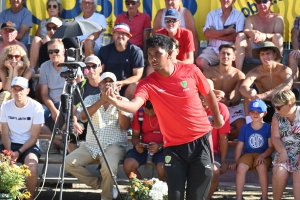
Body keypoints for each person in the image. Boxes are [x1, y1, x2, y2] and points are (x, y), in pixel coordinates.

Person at [103, 34, 224, 200]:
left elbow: (208, 93)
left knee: (196, 197)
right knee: (174, 196)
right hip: (173, 147)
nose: (153, 59)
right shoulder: (147, 83)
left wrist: (217, 119)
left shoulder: (191, 70)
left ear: (169, 53)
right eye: (150, 55)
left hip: (200, 141)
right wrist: (115, 101)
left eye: (157, 54)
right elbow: (133, 105)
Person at [65, 72, 132, 200]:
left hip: (114, 145)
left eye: (110, 82)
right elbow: (83, 117)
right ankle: (100, 184)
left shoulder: (123, 101)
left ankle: (106, 196)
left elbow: (125, 126)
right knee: (68, 163)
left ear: (116, 85)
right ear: (99, 84)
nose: (107, 84)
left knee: (108, 166)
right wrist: (101, 101)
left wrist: (118, 104)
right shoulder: (90, 98)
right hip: (91, 145)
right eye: (105, 82)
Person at [0, 77, 44, 200]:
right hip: (10, 143)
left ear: (28, 91)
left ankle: (29, 198)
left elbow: (34, 137)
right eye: (15, 89)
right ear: (11, 90)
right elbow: (5, 133)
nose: (18, 92)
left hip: (29, 144)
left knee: (32, 167)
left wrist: (18, 153)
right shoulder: (5, 106)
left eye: (21, 89)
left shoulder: (36, 107)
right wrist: (9, 153)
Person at [229, 99, 273, 200]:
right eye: (252, 112)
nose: (255, 114)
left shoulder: (268, 127)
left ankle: (264, 197)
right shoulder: (245, 128)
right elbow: (239, 146)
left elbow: (271, 147)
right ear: (249, 113)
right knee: (241, 167)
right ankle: (239, 197)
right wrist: (236, 162)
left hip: (263, 154)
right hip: (247, 154)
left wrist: (263, 156)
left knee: (261, 167)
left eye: (258, 112)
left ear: (265, 113)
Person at [239, 41, 293, 123]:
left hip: (280, 103)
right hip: (263, 105)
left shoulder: (284, 70)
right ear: (259, 56)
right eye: (262, 54)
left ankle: (283, 124)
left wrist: (264, 95)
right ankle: (249, 123)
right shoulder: (255, 72)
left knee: (286, 96)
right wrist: (251, 93)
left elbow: (287, 85)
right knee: (249, 95)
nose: (265, 56)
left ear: (274, 55)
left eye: (268, 53)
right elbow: (242, 88)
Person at [204, 44, 246, 140]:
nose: (225, 56)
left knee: (242, 127)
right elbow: (203, 92)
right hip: (211, 105)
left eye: (228, 54)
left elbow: (238, 98)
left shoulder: (238, 75)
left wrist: (229, 102)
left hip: (229, 105)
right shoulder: (208, 72)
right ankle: (215, 140)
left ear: (234, 57)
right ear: (218, 55)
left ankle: (220, 140)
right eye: (223, 53)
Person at [200, 79, 230, 200]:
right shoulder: (191, 106)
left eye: (205, 93)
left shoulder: (221, 108)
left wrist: (223, 160)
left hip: (212, 152)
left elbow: (223, 137)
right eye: (198, 93)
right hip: (191, 150)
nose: (201, 97)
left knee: (215, 171)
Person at [98, 23, 144, 100]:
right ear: (113, 35)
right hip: (107, 84)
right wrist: (107, 84)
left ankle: (127, 109)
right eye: (117, 33)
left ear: (128, 37)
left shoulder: (136, 51)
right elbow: (99, 71)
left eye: (123, 33)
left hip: (126, 86)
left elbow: (137, 76)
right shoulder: (104, 50)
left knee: (135, 85)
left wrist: (122, 83)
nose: (120, 36)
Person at [235, 0, 284, 71]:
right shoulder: (251, 18)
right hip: (255, 53)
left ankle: (275, 70)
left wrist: (265, 36)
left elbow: (280, 35)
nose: (261, 4)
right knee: (240, 36)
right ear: (256, 4)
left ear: (270, 2)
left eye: (264, 1)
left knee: (278, 37)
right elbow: (246, 30)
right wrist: (252, 33)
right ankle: (238, 72)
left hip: (270, 54)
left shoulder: (277, 18)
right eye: (259, 2)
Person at [196, 0, 244, 71]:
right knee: (200, 61)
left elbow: (236, 36)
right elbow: (206, 33)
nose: (225, 0)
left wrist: (214, 34)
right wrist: (226, 31)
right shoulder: (212, 14)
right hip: (212, 49)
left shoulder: (239, 15)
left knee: (233, 64)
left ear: (234, 1)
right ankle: (215, 77)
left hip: (229, 49)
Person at [67, 55, 102, 153]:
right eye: (87, 67)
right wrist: (74, 123)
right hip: (85, 121)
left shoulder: (105, 85)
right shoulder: (80, 86)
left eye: (94, 66)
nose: (90, 70)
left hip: (102, 123)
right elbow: (73, 110)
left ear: (100, 68)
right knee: (69, 132)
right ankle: (76, 163)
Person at [123, 100, 165, 181]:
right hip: (144, 148)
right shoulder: (140, 113)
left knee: (163, 168)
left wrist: (159, 146)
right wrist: (138, 145)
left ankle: (162, 191)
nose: (149, 114)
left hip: (163, 148)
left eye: (152, 112)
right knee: (128, 164)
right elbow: (135, 137)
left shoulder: (166, 114)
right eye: (147, 111)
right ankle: (140, 190)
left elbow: (173, 139)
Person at [271, 90, 300, 200]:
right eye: (274, 106)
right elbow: (275, 137)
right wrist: (283, 152)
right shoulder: (276, 117)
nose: (275, 110)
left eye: (278, 107)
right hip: (284, 151)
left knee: (299, 174)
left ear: (289, 105)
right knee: (279, 171)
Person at [289, 15, 300, 94]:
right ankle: (295, 89)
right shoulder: (298, 18)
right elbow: (294, 34)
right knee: (293, 56)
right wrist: (296, 49)